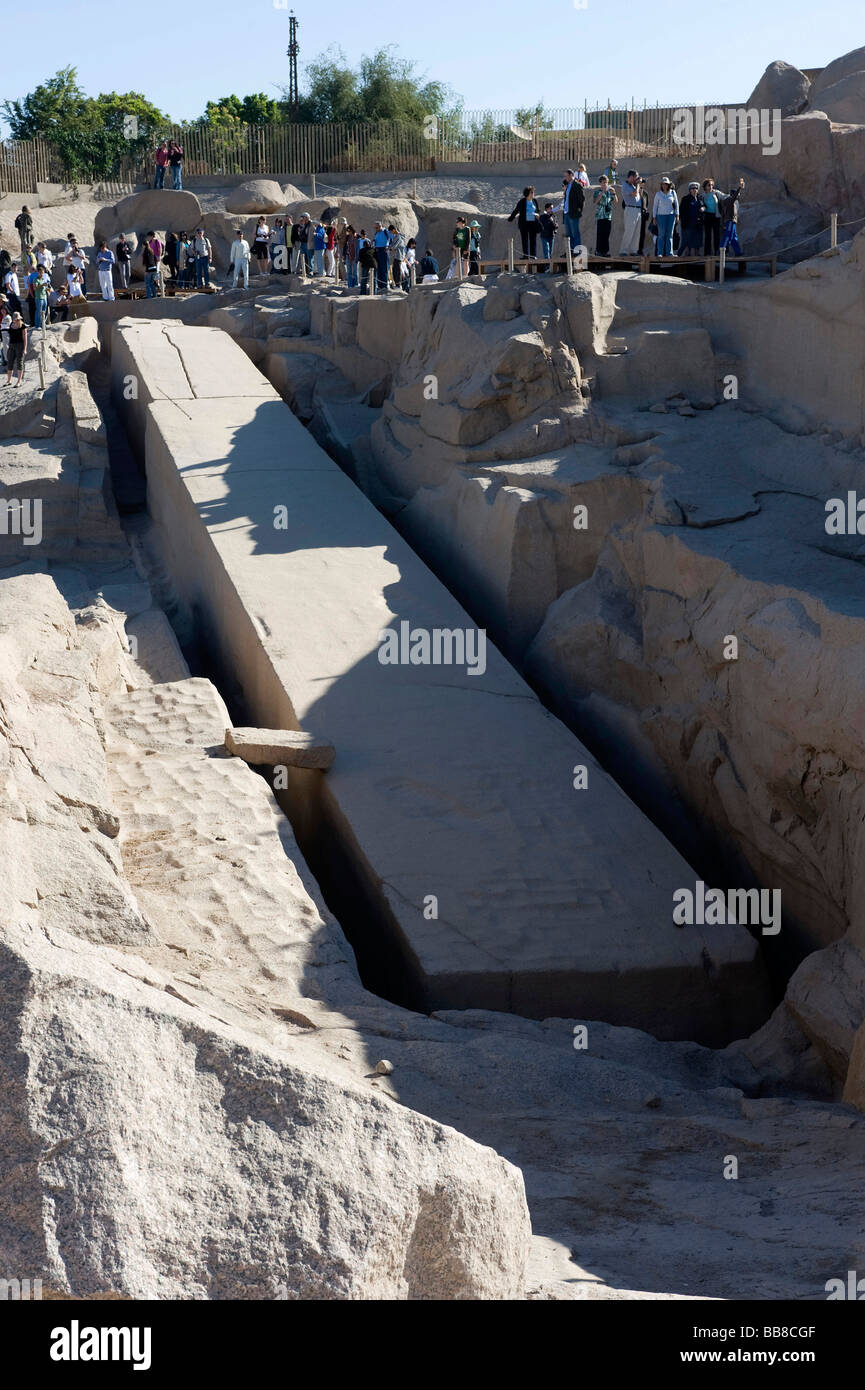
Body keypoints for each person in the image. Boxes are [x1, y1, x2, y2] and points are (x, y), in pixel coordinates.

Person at [554, 171, 585, 253]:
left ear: (571, 175)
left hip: (573, 213)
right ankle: (570, 252)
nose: (565, 178)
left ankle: (577, 251)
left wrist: (579, 210)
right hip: (566, 213)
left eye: (567, 176)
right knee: (568, 234)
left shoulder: (577, 185)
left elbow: (581, 199)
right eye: (564, 176)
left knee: (575, 233)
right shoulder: (568, 186)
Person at [507, 188, 540, 261]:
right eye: (532, 192)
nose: (533, 194)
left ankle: (533, 255)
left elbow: (537, 210)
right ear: (527, 193)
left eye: (533, 192)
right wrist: (511, 218)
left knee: (533, 240)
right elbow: (516, 210)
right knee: (524, 240)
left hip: (533, 223)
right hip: (524, 223)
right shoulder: (522, 201)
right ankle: (525, 255)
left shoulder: (534, 201)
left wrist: (537, 214)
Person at [652, 176, 679, 258]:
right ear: (661, 185)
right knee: (661, 234)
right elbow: (655, 206)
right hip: (660, 216)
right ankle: (660, 252)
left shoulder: (673, 193)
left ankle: (669, 253)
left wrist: (677, 215)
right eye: (663, 184)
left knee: (670, 234)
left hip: (671, 215)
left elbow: (676, 205)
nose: (664, 185)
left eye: (666, 184)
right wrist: (654, 217)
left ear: (668, 185)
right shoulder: (658, 194)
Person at [593, 174, 617, 256]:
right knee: (600, 234)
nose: (606, 184)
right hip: (600, 216)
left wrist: (614, 193)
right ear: (600, 183)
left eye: (606, 182)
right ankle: (598, 251)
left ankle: (605, 251)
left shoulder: (609, 193)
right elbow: (595, 202)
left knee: (606, 234)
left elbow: (616, 201)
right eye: (604, 182)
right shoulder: (597, 192)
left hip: (608, 216)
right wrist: (603, 192)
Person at [619, 171, 643, 255]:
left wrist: (638, 186)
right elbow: (634, 194)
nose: (636, 179)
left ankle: (633, 251)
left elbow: (639, 195)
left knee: (636, 232)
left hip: (637, 210)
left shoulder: (634, 186)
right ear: (631, 177)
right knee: (629, 231)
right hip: (630, 209)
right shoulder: (625, 186)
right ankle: (623, 250)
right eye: (636, 177)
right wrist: (638, 185)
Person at [678, 182, 704, 258]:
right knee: (687, 238)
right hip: (688, 222)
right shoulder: (685, 199)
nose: (694, 190)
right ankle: (687, 253)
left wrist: (703, 208)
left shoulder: (700, 198)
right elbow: (681, 210)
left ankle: (697, 254)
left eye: (696, 188)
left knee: (698, 238)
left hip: (698, 222)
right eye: (693, 188)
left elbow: (704, 205)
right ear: (690, 190)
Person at [721, 178, 746, 256]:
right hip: (730, 221)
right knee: (728, 236)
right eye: (737, 194)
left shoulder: (734, 202)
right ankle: (722, 252)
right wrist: (739, 188)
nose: (738, 196)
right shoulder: (729, 200)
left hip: (733, 222)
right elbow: (734, 197)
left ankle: (738, 252)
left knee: (734, 238)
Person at [701, 178, 723, 256]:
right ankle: (707, 253)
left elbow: (724, 197)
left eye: (711, 185)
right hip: (707, 216)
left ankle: (717, 253)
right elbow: (701, 204)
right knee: (708, 235)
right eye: (709, 185)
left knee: (716, 235)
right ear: (705, 186)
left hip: (716, 216)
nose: (710, 187)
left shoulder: (716, 193)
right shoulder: (702, 196)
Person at [5, 311, 27, 386]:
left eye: (18, 319)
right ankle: (9, 380)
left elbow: (25, 338)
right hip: (11, 345)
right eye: (15, 319)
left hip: (19, 345)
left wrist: (24, 349)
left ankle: (19, 381)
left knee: (19, 362)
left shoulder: (22, 326)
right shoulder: (11, 325)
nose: (17, 320)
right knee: (10, 362)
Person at [372, 222, 390, 291]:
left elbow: (393, 237)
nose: (376, 229)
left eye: (377, 227)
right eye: (375, 228)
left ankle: (384, 285)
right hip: (377, 251)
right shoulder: (376, 233)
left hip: (384, 250)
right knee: (378, 268)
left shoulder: (386, 231)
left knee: (384, 268)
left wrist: (389, 246)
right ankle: (380, 286)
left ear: (380, 226)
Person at [0, 298, 9, 368]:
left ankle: (4, 361)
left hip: (5, 332)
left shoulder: (7, 317)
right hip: (3, 332)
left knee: (5, 346)